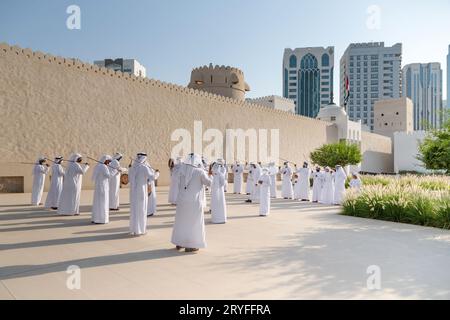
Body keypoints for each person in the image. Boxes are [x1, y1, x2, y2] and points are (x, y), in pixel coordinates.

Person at [171, 153, 212, 253]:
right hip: (194, 202)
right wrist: (210, 175)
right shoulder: (200, 172)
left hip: (182, 201)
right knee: (193, 224)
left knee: (181, 222)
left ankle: (179, 242)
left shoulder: (180, 171)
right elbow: (209, 183)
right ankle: (191, 245)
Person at [129, 153, 155, 235]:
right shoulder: (144, 167)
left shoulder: (133, 167)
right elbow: (152, 177)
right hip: (141, 191)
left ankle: (134, 229)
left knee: (135, 210)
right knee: (141, 210)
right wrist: (157, 173)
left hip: (134, 192)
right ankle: (141, 230)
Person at [92, 155, 117, 224]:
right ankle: (102, 219)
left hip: (98, 187)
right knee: (103, 202)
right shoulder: (103, 167)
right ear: (105, 160)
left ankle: (96, 218)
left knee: (98, 202)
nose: (109, 163)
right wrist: (115, 170)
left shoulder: (98, 166)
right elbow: (109, 176)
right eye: (108, 161)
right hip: (103, 187)